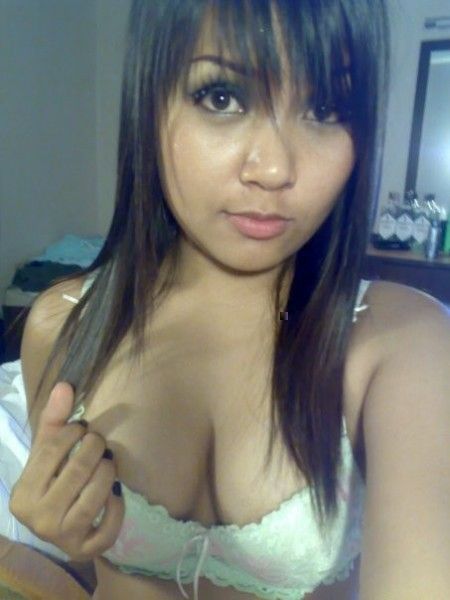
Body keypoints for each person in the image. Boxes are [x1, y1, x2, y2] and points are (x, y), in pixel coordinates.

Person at [1, 0, 449, 598]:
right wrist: (65, 532)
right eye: (221, 97)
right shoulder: (63, 326)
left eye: (324, 108)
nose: (274, 169)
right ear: (149, 101)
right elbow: (92, 571)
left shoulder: (403, 345)